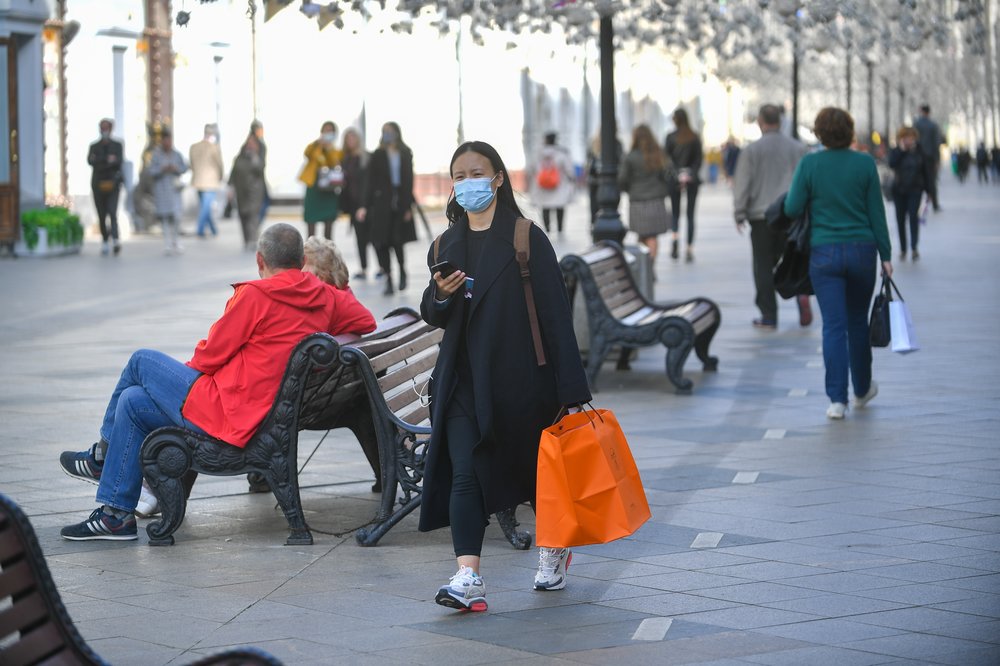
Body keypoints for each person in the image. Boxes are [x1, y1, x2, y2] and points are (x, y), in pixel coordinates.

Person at [57, 223, 377, 540]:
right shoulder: (324, 295)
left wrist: (182, 378)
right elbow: (366, 321)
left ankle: (102, 456)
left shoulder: (255, 295)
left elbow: (209, 357)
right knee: (132, 402)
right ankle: (116, 517)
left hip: (231, 415)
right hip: (267, 413)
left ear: (260, 260)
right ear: (301, 260)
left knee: (141, 361)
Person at [419, 140, 592, 613]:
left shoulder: (525, 237)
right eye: (459, 176)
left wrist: (572, 391)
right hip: (461, 382)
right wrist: (441, 294)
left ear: (497, 178)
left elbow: (556, 317)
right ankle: (468, 577)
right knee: (464, 474)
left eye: (477, 173)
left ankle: (554, 551)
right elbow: (432, 311)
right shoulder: (444, 244)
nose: (467, 183)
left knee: (536, 476)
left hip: (522, 380)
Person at [783, 108, 893, 421]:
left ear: (819, 133)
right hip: (862, 251)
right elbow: (876, 212)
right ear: (850, 131)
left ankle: (836, 400)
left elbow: (792, 207)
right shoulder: (864, 163)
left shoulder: (810, 164)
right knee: (857, 321)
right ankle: (862, 389)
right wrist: (886, 255)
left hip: (824, 252)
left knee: (833, 325)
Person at [732, 104, 810, 329]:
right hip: (791, 213)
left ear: (760, 122)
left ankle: (769, 315)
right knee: (794, 259)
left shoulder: (751, 150)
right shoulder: (798, 148)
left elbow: (742, 183)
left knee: (763, 265)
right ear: (780, 121)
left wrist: (739, 212)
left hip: (761, 216)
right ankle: (801, 293)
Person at [357, 122, 416, 296]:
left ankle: (402, 271)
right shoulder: (378, 154)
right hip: (381, 204)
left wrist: (408, 206)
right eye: (385, 132)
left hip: (400, 202)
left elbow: (409, 180)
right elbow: (370, 181)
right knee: (381, 242)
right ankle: (389, 279)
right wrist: (364, 205)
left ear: (397, 132)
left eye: (390, 131)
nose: (387, 134)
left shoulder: (405, 153)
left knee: (397, 241)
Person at [618, 124, 672, 263]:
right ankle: (649, 266)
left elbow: (622, 179)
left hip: (637, 201)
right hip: (656, 200)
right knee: (652, 236)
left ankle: (645, 267)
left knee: (642, 235)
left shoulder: (631, 157)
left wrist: (629, 189)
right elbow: (669, 173)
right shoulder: (659, 154)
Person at [665, 108, 703, 262]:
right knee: (690, 215)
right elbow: (698, 159)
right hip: (692, 179)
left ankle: (675, 239)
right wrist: (690, 173)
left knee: (675, 213)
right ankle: (689, 248)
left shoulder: (670, 137)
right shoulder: (694, 137)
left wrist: (677, 174)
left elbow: (667, 159)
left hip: (674, 179)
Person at [888, 127, 929, 261]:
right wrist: (901, 150)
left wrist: (929, 191)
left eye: (911, 137)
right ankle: (903, 249)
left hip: (915, 190)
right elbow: (891, 164)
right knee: (900, 220)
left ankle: (914, 247)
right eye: (905, 137)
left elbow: (926, 171)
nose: (908, 140)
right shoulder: (896, 151)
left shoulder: (919, 151)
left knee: (913, 217)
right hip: (899, 191)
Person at [299, 121, 343, 240]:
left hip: (329, 189)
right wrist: (319, 144)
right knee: (311, 224)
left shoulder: (337, 151)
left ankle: (327, 248)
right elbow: (307, 153)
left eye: (330, 130)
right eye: (326, 130)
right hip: (314, 188)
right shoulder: (314, 146)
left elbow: (335, 163)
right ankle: (310, 248)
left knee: (329, 224)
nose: (328, 133)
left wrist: (328, 149)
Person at [87, 119, 124, 256]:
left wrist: (100, 160)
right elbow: (90, 161)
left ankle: (115, 240)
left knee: (112, 212)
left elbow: (118, 161)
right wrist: (107, 160)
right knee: (101, 214)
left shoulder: (117, 145)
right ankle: (104, 240)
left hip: (113, 184)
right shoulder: (94, 146)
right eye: (102, 128)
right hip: (98, 184)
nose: (104, 131)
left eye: (106, 128)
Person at [148, 130, 187, 255]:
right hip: (161, 190)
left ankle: (176, 240)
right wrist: (162, 169)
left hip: (174, 190)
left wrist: (176, 168)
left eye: (169, 140)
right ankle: (167, 243)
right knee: (164, 217)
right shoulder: (156, 155)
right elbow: (151, 171)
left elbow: (184, 167)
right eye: (165, 141)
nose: (168, 143)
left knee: (176, 216)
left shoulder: (177, 154)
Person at [529, 132, 575, 233]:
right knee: (560, 207)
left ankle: (547, 229)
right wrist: (571, 178)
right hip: (559, 186)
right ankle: (560, 229)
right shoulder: (562, 153)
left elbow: (532, 168)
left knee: (545, 207)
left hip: (542, 185)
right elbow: (569, 170)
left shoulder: (538, 153)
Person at [339, 128, 371, 280]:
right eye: (348, 138)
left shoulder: (366, 157)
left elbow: (368, 183)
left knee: (373, 237)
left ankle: (383, 268)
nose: (351, 141)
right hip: (352, 203)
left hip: (367, 203)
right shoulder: (345, 159)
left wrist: (364, 205)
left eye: (353, 138)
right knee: (360, 238)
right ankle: (364, 268)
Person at [229, 131, 267, 250]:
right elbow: (233, 173)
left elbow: (260, 170)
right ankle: (246, 239)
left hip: (255, 191)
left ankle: (252, 239)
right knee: (243, 214)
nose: (250, 145)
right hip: (241, 191)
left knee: (252, 214)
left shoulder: (258, 157)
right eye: (249, 143)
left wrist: (255, 157)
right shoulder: (239, 158)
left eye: (253, 143)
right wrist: (230, 188)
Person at [189, 124, 225, 238]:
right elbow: (219, 164)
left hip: (198, 181)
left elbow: (192, 164)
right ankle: (200, 229)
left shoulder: (194, 147)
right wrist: (221, 176)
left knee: (205, 206)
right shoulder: (214, 148)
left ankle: (213, 229)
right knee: (206, 207)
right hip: (210, 182)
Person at [913, 104, 944, 210]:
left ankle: (917, 206)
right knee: (931, 181)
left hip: (917, 157)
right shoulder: (933, 125)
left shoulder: (916, 124)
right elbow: (936, 143)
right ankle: (935, 204)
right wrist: (937, 160)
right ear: (929, 112)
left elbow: (913, 140)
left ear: (921, 111)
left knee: (917, 181)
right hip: (930, 158)